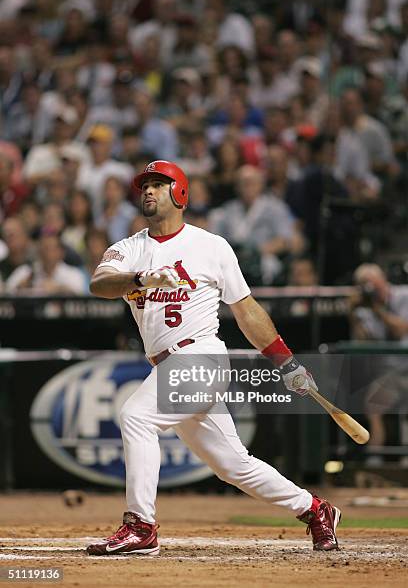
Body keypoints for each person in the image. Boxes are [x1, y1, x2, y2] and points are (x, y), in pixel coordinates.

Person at [87, 159, 340, 556]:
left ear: (180, 193)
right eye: (145, 186)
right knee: (233, 465)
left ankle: (141, 526)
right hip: (167, 365)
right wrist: (141, 278)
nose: (148, 191)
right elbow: (99, 284)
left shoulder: (210, 245)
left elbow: (246, 310)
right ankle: (316, 510)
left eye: (158, 184)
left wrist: (286, 362)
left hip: (199, 357)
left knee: (136, 416)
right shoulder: (128, 248)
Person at [349, 263, 408, 462]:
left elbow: (401, 329)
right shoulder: (365, 307)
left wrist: (379, 310)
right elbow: (363, 341)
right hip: (391, 373)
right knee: (373, 405)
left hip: (405, 366)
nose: (372, 289)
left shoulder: (403, 295)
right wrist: (353, 315)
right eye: (365, 285)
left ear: (383, 279)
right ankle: (374, 461)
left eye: (374, 283)